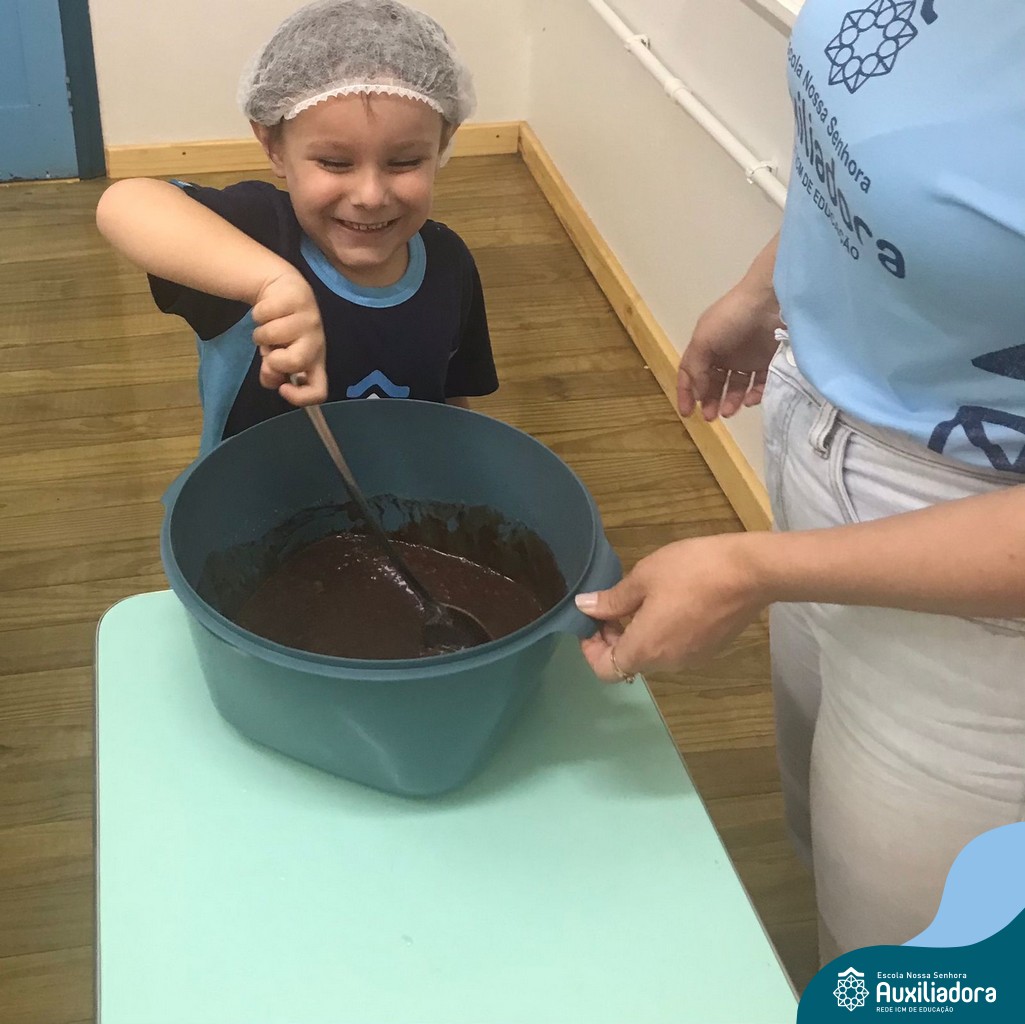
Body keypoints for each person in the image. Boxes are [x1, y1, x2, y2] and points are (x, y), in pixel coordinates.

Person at [576, 0, 1025, 963]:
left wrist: (753, 571)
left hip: (984, 581)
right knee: (823, 847)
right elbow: (878, 121)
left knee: (921, 974)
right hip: (815, 436)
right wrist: (767, 286)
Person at [96, 0, 497, 459]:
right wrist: (270, 282)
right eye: (335, 162)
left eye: (404, 162)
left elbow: (451, 403)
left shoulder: (449, 262)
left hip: (403, 490)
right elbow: (124, 203)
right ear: (273, 146)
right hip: (248, 495)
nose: (370, 195)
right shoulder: (258, 233)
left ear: (443, 144)